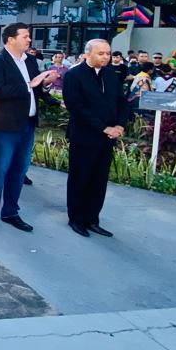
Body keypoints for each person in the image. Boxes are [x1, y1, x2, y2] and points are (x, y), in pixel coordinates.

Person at [0, 23, 54, 232]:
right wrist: (29, 85)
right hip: (4, 126)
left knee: (19, 171)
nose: (29, 40)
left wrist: (45, 84)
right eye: (25, 36)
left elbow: (36, 90)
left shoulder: (30, 61)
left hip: (27, 124)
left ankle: (11, 211)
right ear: (10, 39)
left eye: (29, 36)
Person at [62, 40, 129, 237]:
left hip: (108, 137)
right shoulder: (74, 75)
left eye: (108, 53)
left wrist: (119, 125)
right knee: (80, 178)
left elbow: (122, 102)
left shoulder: (110, 74)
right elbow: (76, 107)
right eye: (101, 53)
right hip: (84, 136)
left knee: (99, 180)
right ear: (87, 54)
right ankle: (76, 219)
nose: (106, 57)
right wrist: (103, 127)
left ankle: (92, 219)